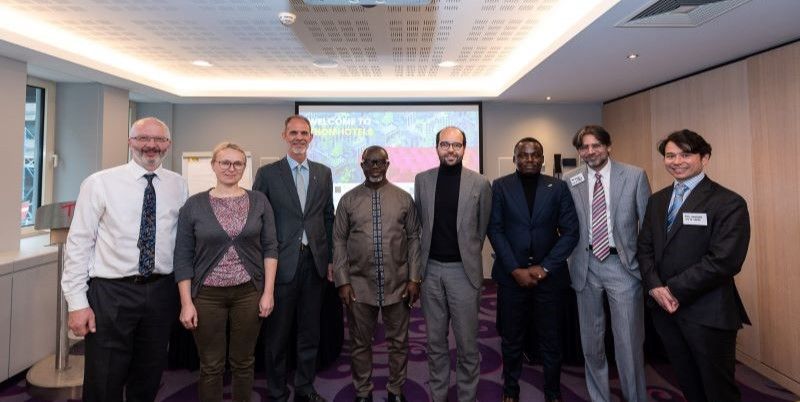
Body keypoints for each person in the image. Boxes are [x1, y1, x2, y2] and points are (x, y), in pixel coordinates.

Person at [61, 117, 188, 402]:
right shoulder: (99, 183)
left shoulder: (178, 185)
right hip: (112, 292)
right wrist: (77, 303)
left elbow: (181, 240)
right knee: (104, 376)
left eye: (159, 140)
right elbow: (79, 243)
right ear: (130, 142)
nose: (151, 146)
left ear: (168, 145)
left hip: (160, 291)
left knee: (149, 374)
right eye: (144, 138)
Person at [637, 129, 751, 402]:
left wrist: (672, 289)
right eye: (670, 155)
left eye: (685, 154)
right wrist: (655, 287)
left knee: (718, 389)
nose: (677, 161)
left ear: (705, 158)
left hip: (707, 312)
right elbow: (644, 248)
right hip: (666, 312)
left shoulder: (728, 202)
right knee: (687, 382)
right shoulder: (658, 200)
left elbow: (724, 260)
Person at [173, 142, 279, 402]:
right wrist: (186, 303)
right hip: (207, 296)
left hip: (248, 293)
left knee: (243, 362)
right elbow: (183, 256)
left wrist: (268, 293)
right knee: (211, 365)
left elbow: (270, 248)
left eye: (237, 163)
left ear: (244, 167)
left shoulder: (259, 201)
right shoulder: (194, 205)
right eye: (225, 163)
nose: (231, 168)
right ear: (214, 165)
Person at [488, 137, 579, 402]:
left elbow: (571, 231)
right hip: (510, 277)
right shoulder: (501, 186)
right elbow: (495, 229)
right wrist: (515, 268)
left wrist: (546, 267)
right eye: (524, 155)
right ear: (515, 158)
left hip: (549, 279)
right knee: (511, 338)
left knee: (551, 340)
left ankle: (552, 392)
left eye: (535, 155)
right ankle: (511, 389)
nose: (529, 159)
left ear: (542, 158)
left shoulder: (558, 187)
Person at [563, 126, 650, 402]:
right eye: (584, 147)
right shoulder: (570, 179)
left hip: (622, 266)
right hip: (584, 265)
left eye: (596, 145)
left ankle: (635, 397)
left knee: (628, 342)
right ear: (579, 151)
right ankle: (599, 397)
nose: (590, 151)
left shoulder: (634, 176)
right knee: (591, 341)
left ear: (608, 146)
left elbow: (647, 227)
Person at [253, 115, 334, 402]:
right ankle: (276, 392)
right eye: (294, 133)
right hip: (280, 264)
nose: (299, 137)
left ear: (311, 137)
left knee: (310, 332)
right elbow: (257, 220)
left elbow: (328, 218)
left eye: (304, 133)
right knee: (277, 334)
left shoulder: (323, 173)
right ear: (284, 136)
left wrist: (331, 260)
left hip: (314, 263)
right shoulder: (268, 173)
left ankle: (304, 387)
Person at [333, 146, 421, 402]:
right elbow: (338, 240)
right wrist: (343, 281)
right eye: (370, 162)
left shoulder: (404, 199)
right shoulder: (347, 200)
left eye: (380, 162)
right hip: (359, 284)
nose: (375, 167)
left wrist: (414, 277)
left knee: (399, 342)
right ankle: (363, 392)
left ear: (387, 164)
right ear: (362, 165)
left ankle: (395, 390)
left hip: (398, 284)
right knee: (360, 344)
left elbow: (415, 238)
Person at [414, 126, 492, 402]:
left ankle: (467, 397)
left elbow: (481, 228)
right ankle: (438, 395)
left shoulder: (480, 183)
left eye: (456, 145)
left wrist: (468, 256)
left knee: (467, 344)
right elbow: (421, 224)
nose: (450, 150)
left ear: (464, 149)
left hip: (464, 273)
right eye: (445, 144)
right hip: (431, 271)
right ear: (436, 148)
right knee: (435, 343)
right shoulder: (422, 180)